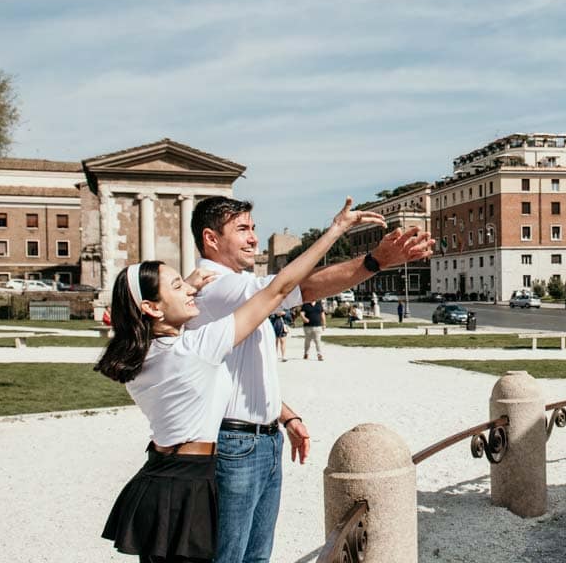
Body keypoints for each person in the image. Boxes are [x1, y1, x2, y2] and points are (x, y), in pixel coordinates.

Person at [95, 197, 376, 562]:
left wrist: (283, 412)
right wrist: (336, 229)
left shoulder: (144, 352)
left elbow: (230, 373)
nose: (191, 288)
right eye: (179, 286)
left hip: (163, 475)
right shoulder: (195, 347)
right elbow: (278, 290)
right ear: (151, 308)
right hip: (189, 479)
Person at [186, 197, 434, 563]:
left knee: (255, 557)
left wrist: (285, 415)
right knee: (229, 557)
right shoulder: (214, 287)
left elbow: (236, 371)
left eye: (253, 228)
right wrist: (363, 251)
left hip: (261, 440)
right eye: (242, 230)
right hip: (235, 443)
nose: (253, 238)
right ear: (210, 238)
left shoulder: (238, 285)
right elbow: (300, 288)